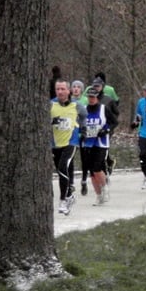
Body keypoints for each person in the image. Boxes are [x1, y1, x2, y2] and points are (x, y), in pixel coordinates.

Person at [51, 79, 85, 215]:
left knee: (62, 167)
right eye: (58, 89)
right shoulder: (50, 105)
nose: (60, 92)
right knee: (60, 170)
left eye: (62, 89)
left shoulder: (77, 105)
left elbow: (84, 117)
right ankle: (70, 195)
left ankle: (63, 200)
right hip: (55, 143)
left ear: (68, 91)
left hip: (71, 142)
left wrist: (83, 130)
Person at [81, 86, 117, 205]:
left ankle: (105, 188)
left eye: (93, 97)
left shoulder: (103, 109)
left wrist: (106, 131)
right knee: (91, 172)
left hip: (101, 143)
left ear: (97, 97)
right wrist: (83, 132)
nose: (91, 99)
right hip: (88, 143)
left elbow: (114, 122)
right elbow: (79, 125)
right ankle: (98, 195)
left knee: (97, 168)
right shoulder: (84, 109)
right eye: (89, 97)